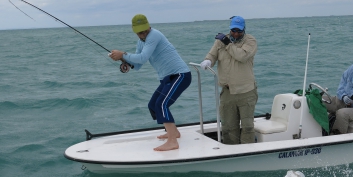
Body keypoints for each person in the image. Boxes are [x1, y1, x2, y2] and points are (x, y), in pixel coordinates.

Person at [109, 14, 192, 151]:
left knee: (162, 104)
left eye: (144, 30)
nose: (143, 34)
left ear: (148, 27)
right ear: (135, 31)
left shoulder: (154, 35)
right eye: (139, 32)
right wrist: (125, 62)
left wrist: (122, 54)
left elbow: (142, 58)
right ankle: (174, 132)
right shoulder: (141, 42)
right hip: (167, 78)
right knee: (153, 105)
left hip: (180, 75)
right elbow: (139, 64)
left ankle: (172, 142)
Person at [199, 16, 258, 144]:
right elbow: (212, 54)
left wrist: (228, 44)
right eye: (233, 30)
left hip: (246, 92)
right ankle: (231, 151)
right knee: (228, 127)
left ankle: (247, 152)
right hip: (227, 92)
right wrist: (208, 60)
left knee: (247, 127)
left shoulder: (250, 41)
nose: (236, 34)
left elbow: (241, 56)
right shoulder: (221, 41)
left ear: (244, 29)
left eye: (239, 31)